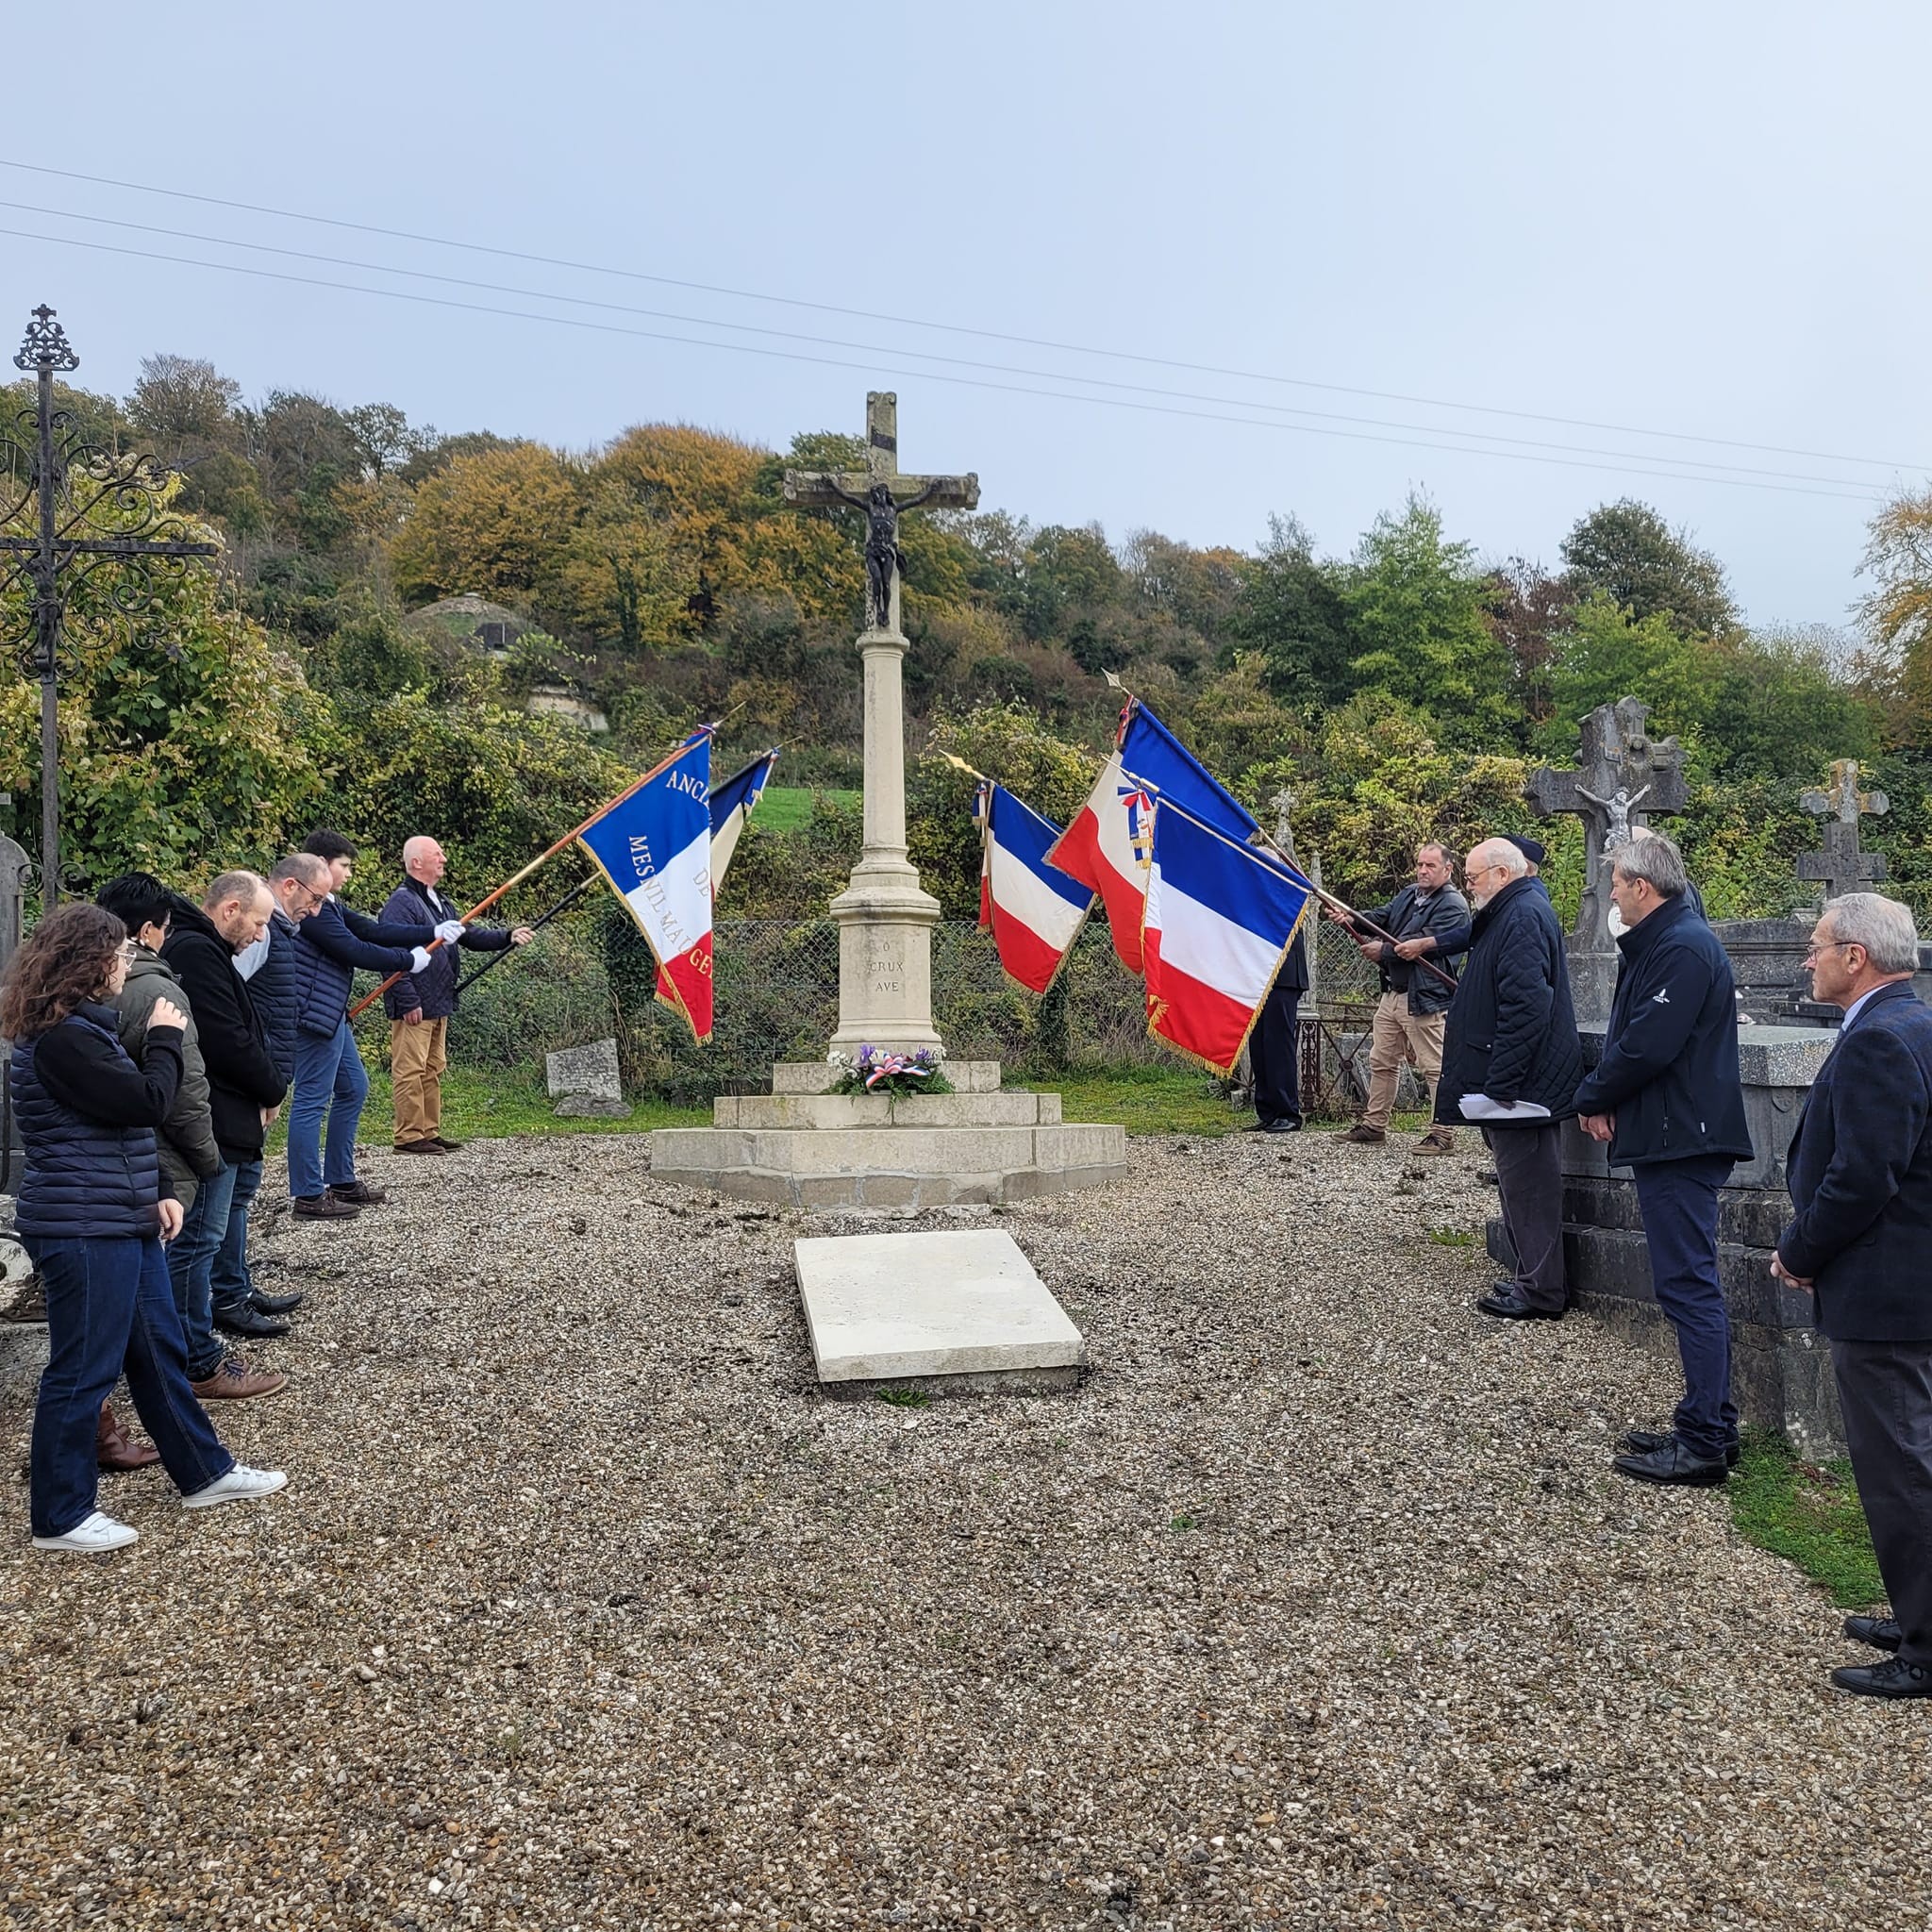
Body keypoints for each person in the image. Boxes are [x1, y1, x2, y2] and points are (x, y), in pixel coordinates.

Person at [1, 903, 287, 1554]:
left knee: (158, 1352)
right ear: (87, 962)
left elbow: (120, 1128)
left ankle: (204, 1472)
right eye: (119, 954)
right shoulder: (63, 1038)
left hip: (118, 1215)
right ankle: (61, 1514)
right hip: (82, 1226)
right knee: (83, 1370)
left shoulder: (83, 1030)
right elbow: (146, 1103)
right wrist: (162, 1037)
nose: (127, 963)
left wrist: (156, 1191)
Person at [1773, 892, 1932, 1699]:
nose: (1810, 958)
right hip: (1906, 1279)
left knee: (1901, 1464)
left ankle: (1927, 1647)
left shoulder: (1879, 1040)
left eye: (1817, 946)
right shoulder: (1914, 1023)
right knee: (1913, 1455)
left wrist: (1800, 1250)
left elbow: (1865, 1174)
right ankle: (1916, 1614)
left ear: (1856, 957)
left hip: (1888, 1286)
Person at [1572, 834, 1753, 1487]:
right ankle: (1713, 1423)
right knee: (1688, 1283)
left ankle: (1704, 1440)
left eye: (1618, 884)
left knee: (1688, 1286)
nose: (1612, 893)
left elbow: (1649, 1044)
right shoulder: (1669, 938)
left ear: (1643, 888)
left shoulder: (1682, 945)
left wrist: (1592, 1094)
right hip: (1674, 1130)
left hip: (1684, 1138)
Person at [93, 874, 225, 1470]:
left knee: (135, 1328)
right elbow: (166, 1096)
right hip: (124, 1184)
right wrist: (205, 1158)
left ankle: (197, 1460)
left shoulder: (84, 1010)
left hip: (135, 1176)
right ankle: (193, 1367)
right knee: (142, 1309)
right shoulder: (146, 996)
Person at [1436, 838, 1583, 1320]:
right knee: (1518, 1185)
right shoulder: (1513, 911)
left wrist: (1501, 1085)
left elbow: (1527, 1006)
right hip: (1516, 1080)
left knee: (1530, 1188)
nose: (1469, 886)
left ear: (1503, 875)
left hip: (1523, 1087)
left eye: (1474, 877)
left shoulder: (1520, 916)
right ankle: (1530, 1277)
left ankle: (1540, 1291)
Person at [160, 873, 291, 1399]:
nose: (261, 935)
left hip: (225, 1112)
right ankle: (195, 1359)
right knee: (196, 1242)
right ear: (230, 909)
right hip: (212, 1116)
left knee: (208, 1233)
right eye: (258, 922)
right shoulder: (196, 952)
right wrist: (272, 1086)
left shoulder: (204, 948)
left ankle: (199, 1337)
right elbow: (225, 1040)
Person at [287, 829, 451, 1219]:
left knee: (354, 1087)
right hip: (312, 1012)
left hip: (332, 1013)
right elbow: (354, 949)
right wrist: (407, 961)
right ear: (322, 865)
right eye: (343, 866)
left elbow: (373, 931)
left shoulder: (329, 903)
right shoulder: (311, 909)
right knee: (312, 1099)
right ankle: (308, 1194)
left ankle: (340, 1178)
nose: (347, 874)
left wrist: (432, 932)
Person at [208, 853, 330, 1312]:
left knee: (241, 1190)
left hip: (261, 1075)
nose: (314, 911)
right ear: (290, 886)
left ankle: (235, 1284)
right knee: (234, 1193)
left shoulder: (274, 929)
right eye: (313, 899)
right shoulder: (260, 933)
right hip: (248, 1081)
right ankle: (228, 1293)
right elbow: (233, 1008)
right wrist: (265, 1083)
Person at [378, 837, 533, 1155]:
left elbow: (468, 934)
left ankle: (428, 1130)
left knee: (433, 1067)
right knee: (410, 1068)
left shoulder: (440, 901)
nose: (444, 859)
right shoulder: (401, 903)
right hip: (414, 1003)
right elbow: (390, 953)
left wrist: (507, 937)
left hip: (439, 1000)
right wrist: (406, 999)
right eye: (437, 854)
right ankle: (408, 1136)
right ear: (416, 862)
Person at [1328, 842, 1469, 1152]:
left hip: (1426, 996)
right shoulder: (1409, 894)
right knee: (1381, 1059)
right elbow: (1381, 917)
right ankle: (1374, 1124)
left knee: (1434, 1066)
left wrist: (1384, 950)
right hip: (1393, 993)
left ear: (1448, 869)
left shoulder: (1453, 905)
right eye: (1420, 864)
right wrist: (1350, 918)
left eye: (1430, 865)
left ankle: (1442, 1132)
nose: (1422, 870)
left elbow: (1418, 943)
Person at [1245, 921, 1309, 1134]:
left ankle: (1287, 1112)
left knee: (1278, 1045)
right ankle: (1268, 1112)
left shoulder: (1286, 889)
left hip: (1283, 972)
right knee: (1259, 1044)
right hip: (1258, 972)